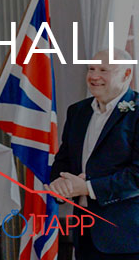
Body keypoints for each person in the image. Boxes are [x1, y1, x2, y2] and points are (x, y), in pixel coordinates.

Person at [48, 49, 139, 259]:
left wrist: (88, 188)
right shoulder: (77, 112)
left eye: (103, 70)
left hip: (127, 238)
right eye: (91, 69)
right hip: (83, 232)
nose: (94, 76)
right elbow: (63, 161)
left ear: (126, 74)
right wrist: (61, 184)